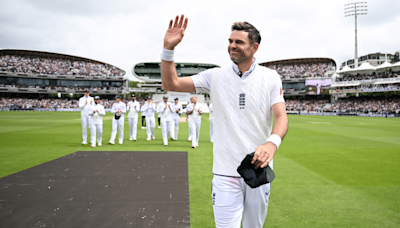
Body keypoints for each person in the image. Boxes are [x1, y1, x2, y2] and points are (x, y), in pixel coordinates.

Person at [160, 15, 288, 228]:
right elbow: (171, 82)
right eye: (230, 41)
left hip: (258, 168)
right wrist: (168, 49)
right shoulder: (215, 76)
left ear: (254, 47)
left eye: (239, 42)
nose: (232, 46)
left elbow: (281, 116)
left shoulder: (271, 77)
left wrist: (271, 144)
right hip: (224, 172)